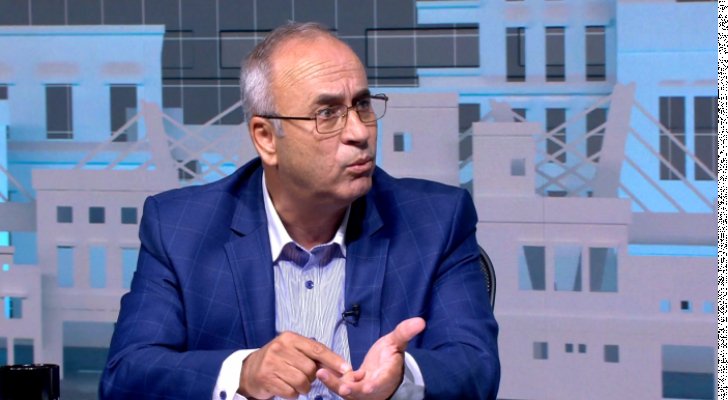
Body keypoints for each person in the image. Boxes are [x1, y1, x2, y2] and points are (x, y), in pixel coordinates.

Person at [99, 21, 499, 400]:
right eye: (327, 113)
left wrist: (401, 379)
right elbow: (126, 375)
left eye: (362, 104)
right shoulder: (180, 229)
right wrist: (242, 373)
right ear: (266, 138)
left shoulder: (437, 220)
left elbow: (476, 367)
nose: (359, 132)